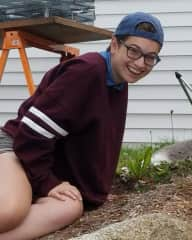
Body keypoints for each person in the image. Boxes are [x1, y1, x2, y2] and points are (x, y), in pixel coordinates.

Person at [0, 11, 164, 240]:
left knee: (70, 206)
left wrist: (96, 193)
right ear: (115, 44)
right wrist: (47, 184)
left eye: (150, 57)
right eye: (133, 50)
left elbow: (97, 146)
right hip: (15, 147)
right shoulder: (87, 71)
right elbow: (31, 133)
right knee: (10, 211)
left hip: (37, 160)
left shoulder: (118, 82)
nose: (140, 63)